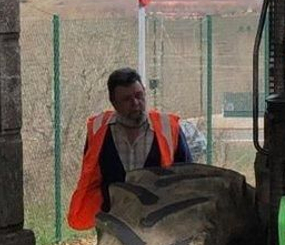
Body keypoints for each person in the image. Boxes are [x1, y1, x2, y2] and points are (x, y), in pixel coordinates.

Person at [66, 68, 191, 230]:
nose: (136, 103)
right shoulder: (98, 130)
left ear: (145, 92)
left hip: (159, 226)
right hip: (113, 224)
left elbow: (187, 176)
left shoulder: (168, 127)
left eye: (139, 95)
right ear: (114, 102)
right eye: (127, 99)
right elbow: (92, 175)